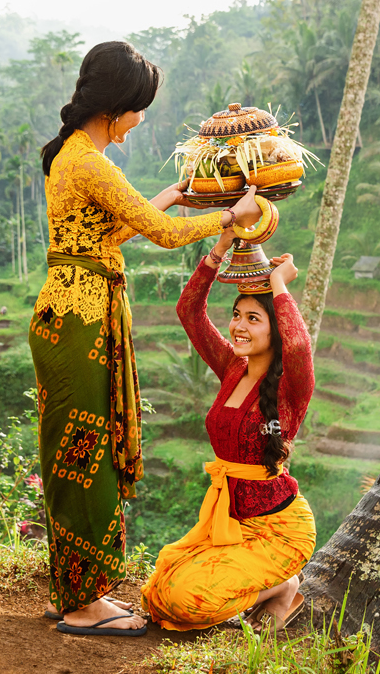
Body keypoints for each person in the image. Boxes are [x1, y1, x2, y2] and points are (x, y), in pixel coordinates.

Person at [31, 41, 262, 637]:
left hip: (75, 311)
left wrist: (182, 194)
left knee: (77, 453)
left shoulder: (77, 156)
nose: (142, 119)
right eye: (140, 108)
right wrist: (230, 217)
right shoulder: (90, 162)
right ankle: (83, 603)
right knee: (86, 455)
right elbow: (158, 234)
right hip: (81, 320)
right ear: (117, 107)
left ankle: (76, 591)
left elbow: (112, 232)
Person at [140, 231, 317, 632]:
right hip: (229, 522)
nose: (238, 326)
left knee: (187, 600)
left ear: (274, 329)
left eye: (253, 319)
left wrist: (277, 283)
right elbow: (189, 311)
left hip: (278, 530)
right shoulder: (230, 366)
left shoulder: (292, 386)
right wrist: (220, 247)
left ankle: (283, 587)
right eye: (237, 315)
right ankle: (278, 588)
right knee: (159, 592)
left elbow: (300, 347)